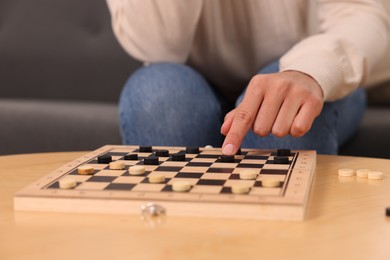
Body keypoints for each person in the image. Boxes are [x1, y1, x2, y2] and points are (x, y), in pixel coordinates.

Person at [106, 0, 389, 155]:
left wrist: (309, 71)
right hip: (194, 81)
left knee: (285, 116)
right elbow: (160, 45)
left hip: (311, 70)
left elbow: (362, 12)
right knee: (157, 97)